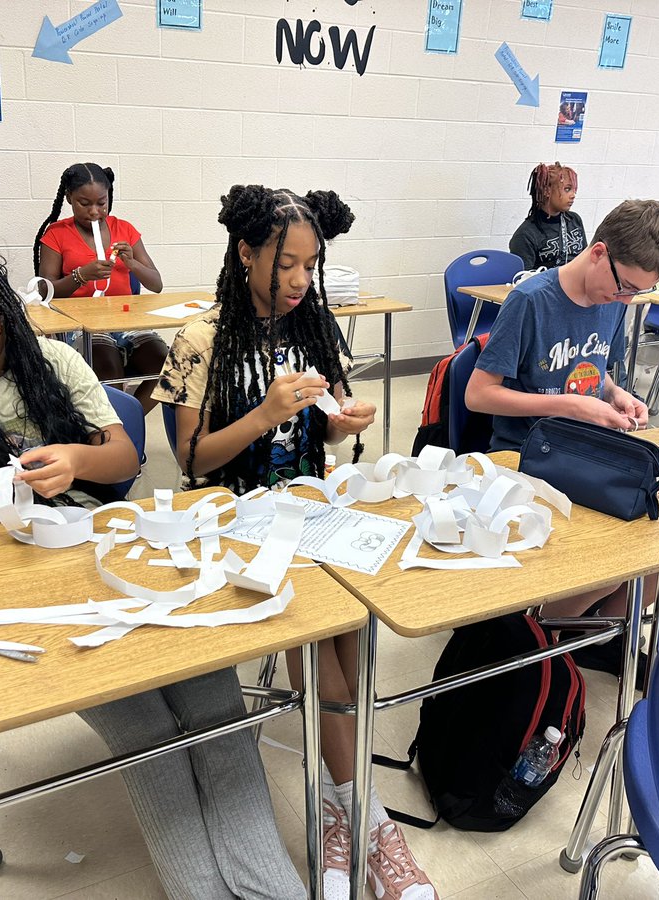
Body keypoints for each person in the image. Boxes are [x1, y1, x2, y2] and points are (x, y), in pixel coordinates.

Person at [0, 204, 303, 900]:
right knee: (145, 728)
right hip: (4, 586)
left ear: (7, 310)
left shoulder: (57, 362)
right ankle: (206, 891)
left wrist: (77, 459)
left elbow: (126, 457)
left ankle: (270, 888)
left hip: (103, 556)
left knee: (214, 702)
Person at [153, 184, 437, 900]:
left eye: (310, 267)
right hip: (233, 521)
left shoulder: (312, 327)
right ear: (245, 253)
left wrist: (345, 423)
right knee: (319, 640)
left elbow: (332, 422)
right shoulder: (202, 339)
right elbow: (192, 460)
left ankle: (342, 816)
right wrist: (262, 414)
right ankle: (368, 824)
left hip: (315, 508)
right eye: (286, 265)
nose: (298, 282)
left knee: (355, 633)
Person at [468, 200, 659, 672]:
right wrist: (571, 404)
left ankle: (586, 635)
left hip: (585, 454)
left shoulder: (611, 301)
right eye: (625, 289)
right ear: (598, 253)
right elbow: (479, 396)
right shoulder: (532, 301)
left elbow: (598, 374)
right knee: (613, 559)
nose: (624, 302)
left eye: (637, 295)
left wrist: (617, 395)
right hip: (527, 459)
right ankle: (542, 642)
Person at [35, 163, 168, 413]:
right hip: (82, 327)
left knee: (167, 365)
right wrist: (80, 276)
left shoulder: (124, 229)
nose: (95, 212)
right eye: (84, 204)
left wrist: (132, 264)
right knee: (110, 368)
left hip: (126, 322)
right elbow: (44, 291)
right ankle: (116, 432)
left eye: (102, 203)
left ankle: (128, 423)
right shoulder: (56, 234)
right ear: (69, 199)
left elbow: (156, 284)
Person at [509, 162, 586, 271]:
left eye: (574, 189)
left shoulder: (574, 220)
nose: (573, 195)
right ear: (547, 191)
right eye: (567, 189)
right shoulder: (526, 235)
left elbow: (585, 260)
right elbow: (524, 281)